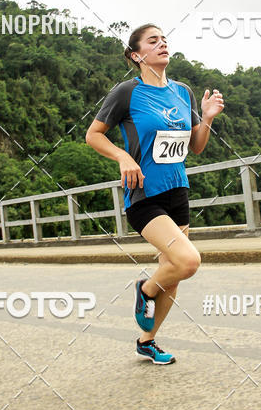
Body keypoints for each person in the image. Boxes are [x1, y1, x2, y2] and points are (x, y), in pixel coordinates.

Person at [85, 23, 224, 365]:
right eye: (153, 40)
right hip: (144, 194)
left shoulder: (182, 91)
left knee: (173, 273)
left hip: (178, 190)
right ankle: (145, 289)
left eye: (164, 39)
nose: (162, 43)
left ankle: (147, 341)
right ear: (137, 55)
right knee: (187, 261)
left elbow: (196, 147)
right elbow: (93, 135)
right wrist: (123, 157)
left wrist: (206, 118)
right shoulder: (127, 93)